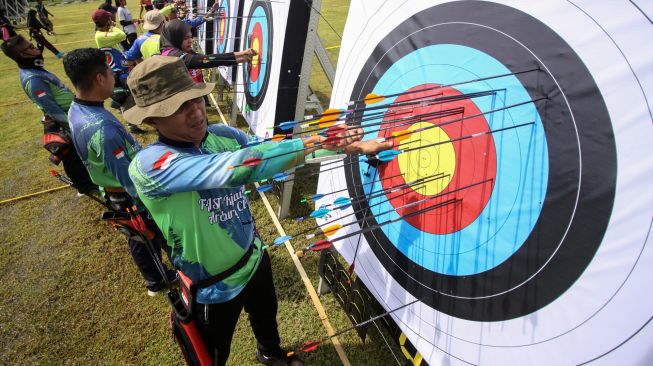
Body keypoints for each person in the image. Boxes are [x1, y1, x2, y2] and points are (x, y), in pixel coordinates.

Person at [126, 56, 393, 365]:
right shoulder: (150, 165)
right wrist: (317, 139)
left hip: (254, 257)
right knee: (211, 355)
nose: (196, 111)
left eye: (195, 99)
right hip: (212, 284)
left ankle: (270, 352)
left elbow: (266, 153)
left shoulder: (225, 136)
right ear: (152, 121)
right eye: (178, 107)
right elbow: (235, 168)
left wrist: (351, 146)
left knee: (266, 316)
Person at [62, 48, 176, 296]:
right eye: (112, 73)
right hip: (127, 195)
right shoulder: (103, 128)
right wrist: (157, 201)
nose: (116, 78)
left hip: (115, 191)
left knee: (141, 237)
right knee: (147, 236)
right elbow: (131, 180)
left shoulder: (78, 108)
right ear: (100, 79)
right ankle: (158, 280)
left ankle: (156, 278)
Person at [1, 36, 96, 195]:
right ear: (23, 55)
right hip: (65, 121)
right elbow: (51, 108)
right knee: (71, 155)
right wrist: (72, 125)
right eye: (31, 47)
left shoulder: (36, 69)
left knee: (77, 154)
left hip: (72, 115)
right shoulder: (33, 79)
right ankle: (83, 187)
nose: (37, 48)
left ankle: (87, 180)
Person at [160, 19, 256, 84]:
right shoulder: (171, 55)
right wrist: (241, 55)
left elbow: (207, 58)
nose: (190, 41)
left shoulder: (184, 51)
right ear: (175, 38)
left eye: (190, 37)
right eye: (185, 38)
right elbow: (205, 60)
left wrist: (241, 57)